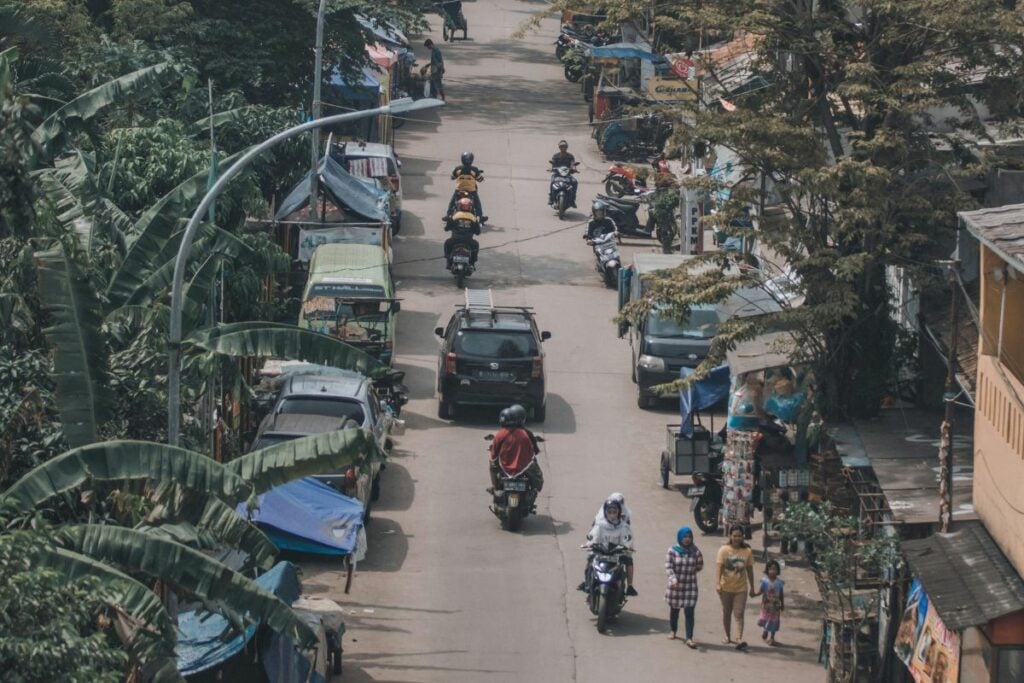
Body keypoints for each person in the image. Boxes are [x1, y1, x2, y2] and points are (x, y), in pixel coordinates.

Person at [488, 404, 543, 505]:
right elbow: (533, 451)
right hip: (524, 466)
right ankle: (534, 491)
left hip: (505, 467)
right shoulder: (525, 433)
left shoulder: (500, 434)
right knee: (538, 478)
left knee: (492, 466)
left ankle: (495, 487)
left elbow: (494, 455)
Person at [580, 498, 637, 596]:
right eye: (609, 512)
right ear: (605, 512)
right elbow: (593, 536)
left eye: (614, 512)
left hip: (617, 554)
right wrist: (590, 543)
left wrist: (626, 547)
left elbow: (627, 539)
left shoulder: (623, 527)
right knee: (590, 558)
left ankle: (630, 586)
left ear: (619, 512)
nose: (612, 514)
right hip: (602, 553)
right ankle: (586, 582)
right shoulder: (600, 525)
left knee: (629, 560)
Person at [716, 525, 756, 651]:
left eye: (739, 536)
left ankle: (739, 638)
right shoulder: (723, 550)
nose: (737, 538)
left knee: (739, 613)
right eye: (735, 536)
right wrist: (717, 583)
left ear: (743, 537)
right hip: (726, 587)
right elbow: (719, 568)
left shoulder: (747, 552)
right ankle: (727, 636)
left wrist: (752, 587)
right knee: (726, 613)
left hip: (741, 588)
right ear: (730, 536)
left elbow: (750, 570)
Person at [665, 526, 703, 648]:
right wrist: (674, 579)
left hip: (690, 586)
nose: (687, 539)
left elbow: (699, 565)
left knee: (689, 611)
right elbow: (668, 567)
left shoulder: (695, 551)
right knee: (674, 610)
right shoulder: (672, 550)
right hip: (676, 586)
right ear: (680, 537)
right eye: (685, 537)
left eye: (689, 537)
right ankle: (673, 630)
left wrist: (690, 572)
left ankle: (689, 637)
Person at [449, 151, 486, 221]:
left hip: (459, 189)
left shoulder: (458, 169)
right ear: (472, 160)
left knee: (452, 202)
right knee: (477, 204)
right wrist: (481, 178)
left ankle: (448, 215)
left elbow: (452, 177)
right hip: (471, 190)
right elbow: (479, 179)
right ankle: (480, 217)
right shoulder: (474, 170)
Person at [443, 197, 481, 266]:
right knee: (476, 245)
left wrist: (447, 228)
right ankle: (472, 262)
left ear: (459, 206)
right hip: (468, 240)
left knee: (447, 243)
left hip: (455, 239)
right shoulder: (473, 217)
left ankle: (448, 260)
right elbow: (478, 231)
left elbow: (447, 227)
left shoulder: (455, 216)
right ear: (470, 207)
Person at [756, 559, 784, 645]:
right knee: (766, 619)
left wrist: (782, 604)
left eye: (775, 569)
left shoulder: (779, 582)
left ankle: (772, 638)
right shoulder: (764, 581)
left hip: (775, 606)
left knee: (774, 621)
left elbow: (781, 594)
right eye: (770, 569)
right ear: (767, 570)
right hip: (766, 605)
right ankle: (765, 630)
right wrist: (754, 594)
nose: (772, 571)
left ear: (778, 570)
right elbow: (760, 591)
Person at [548, 140, 579, 207]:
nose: (563, 148)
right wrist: (551, 169)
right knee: (552, 181)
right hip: (557, 175)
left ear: (566, 147)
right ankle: (551, 198)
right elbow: (553, 164)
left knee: (574, 182)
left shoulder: (570, 156)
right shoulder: (555, 156)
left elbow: (572, 164)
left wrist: (573, 169)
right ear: (559, 147)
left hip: (567, 175)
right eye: (562, 147)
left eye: (564, 147)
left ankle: (572, 200)